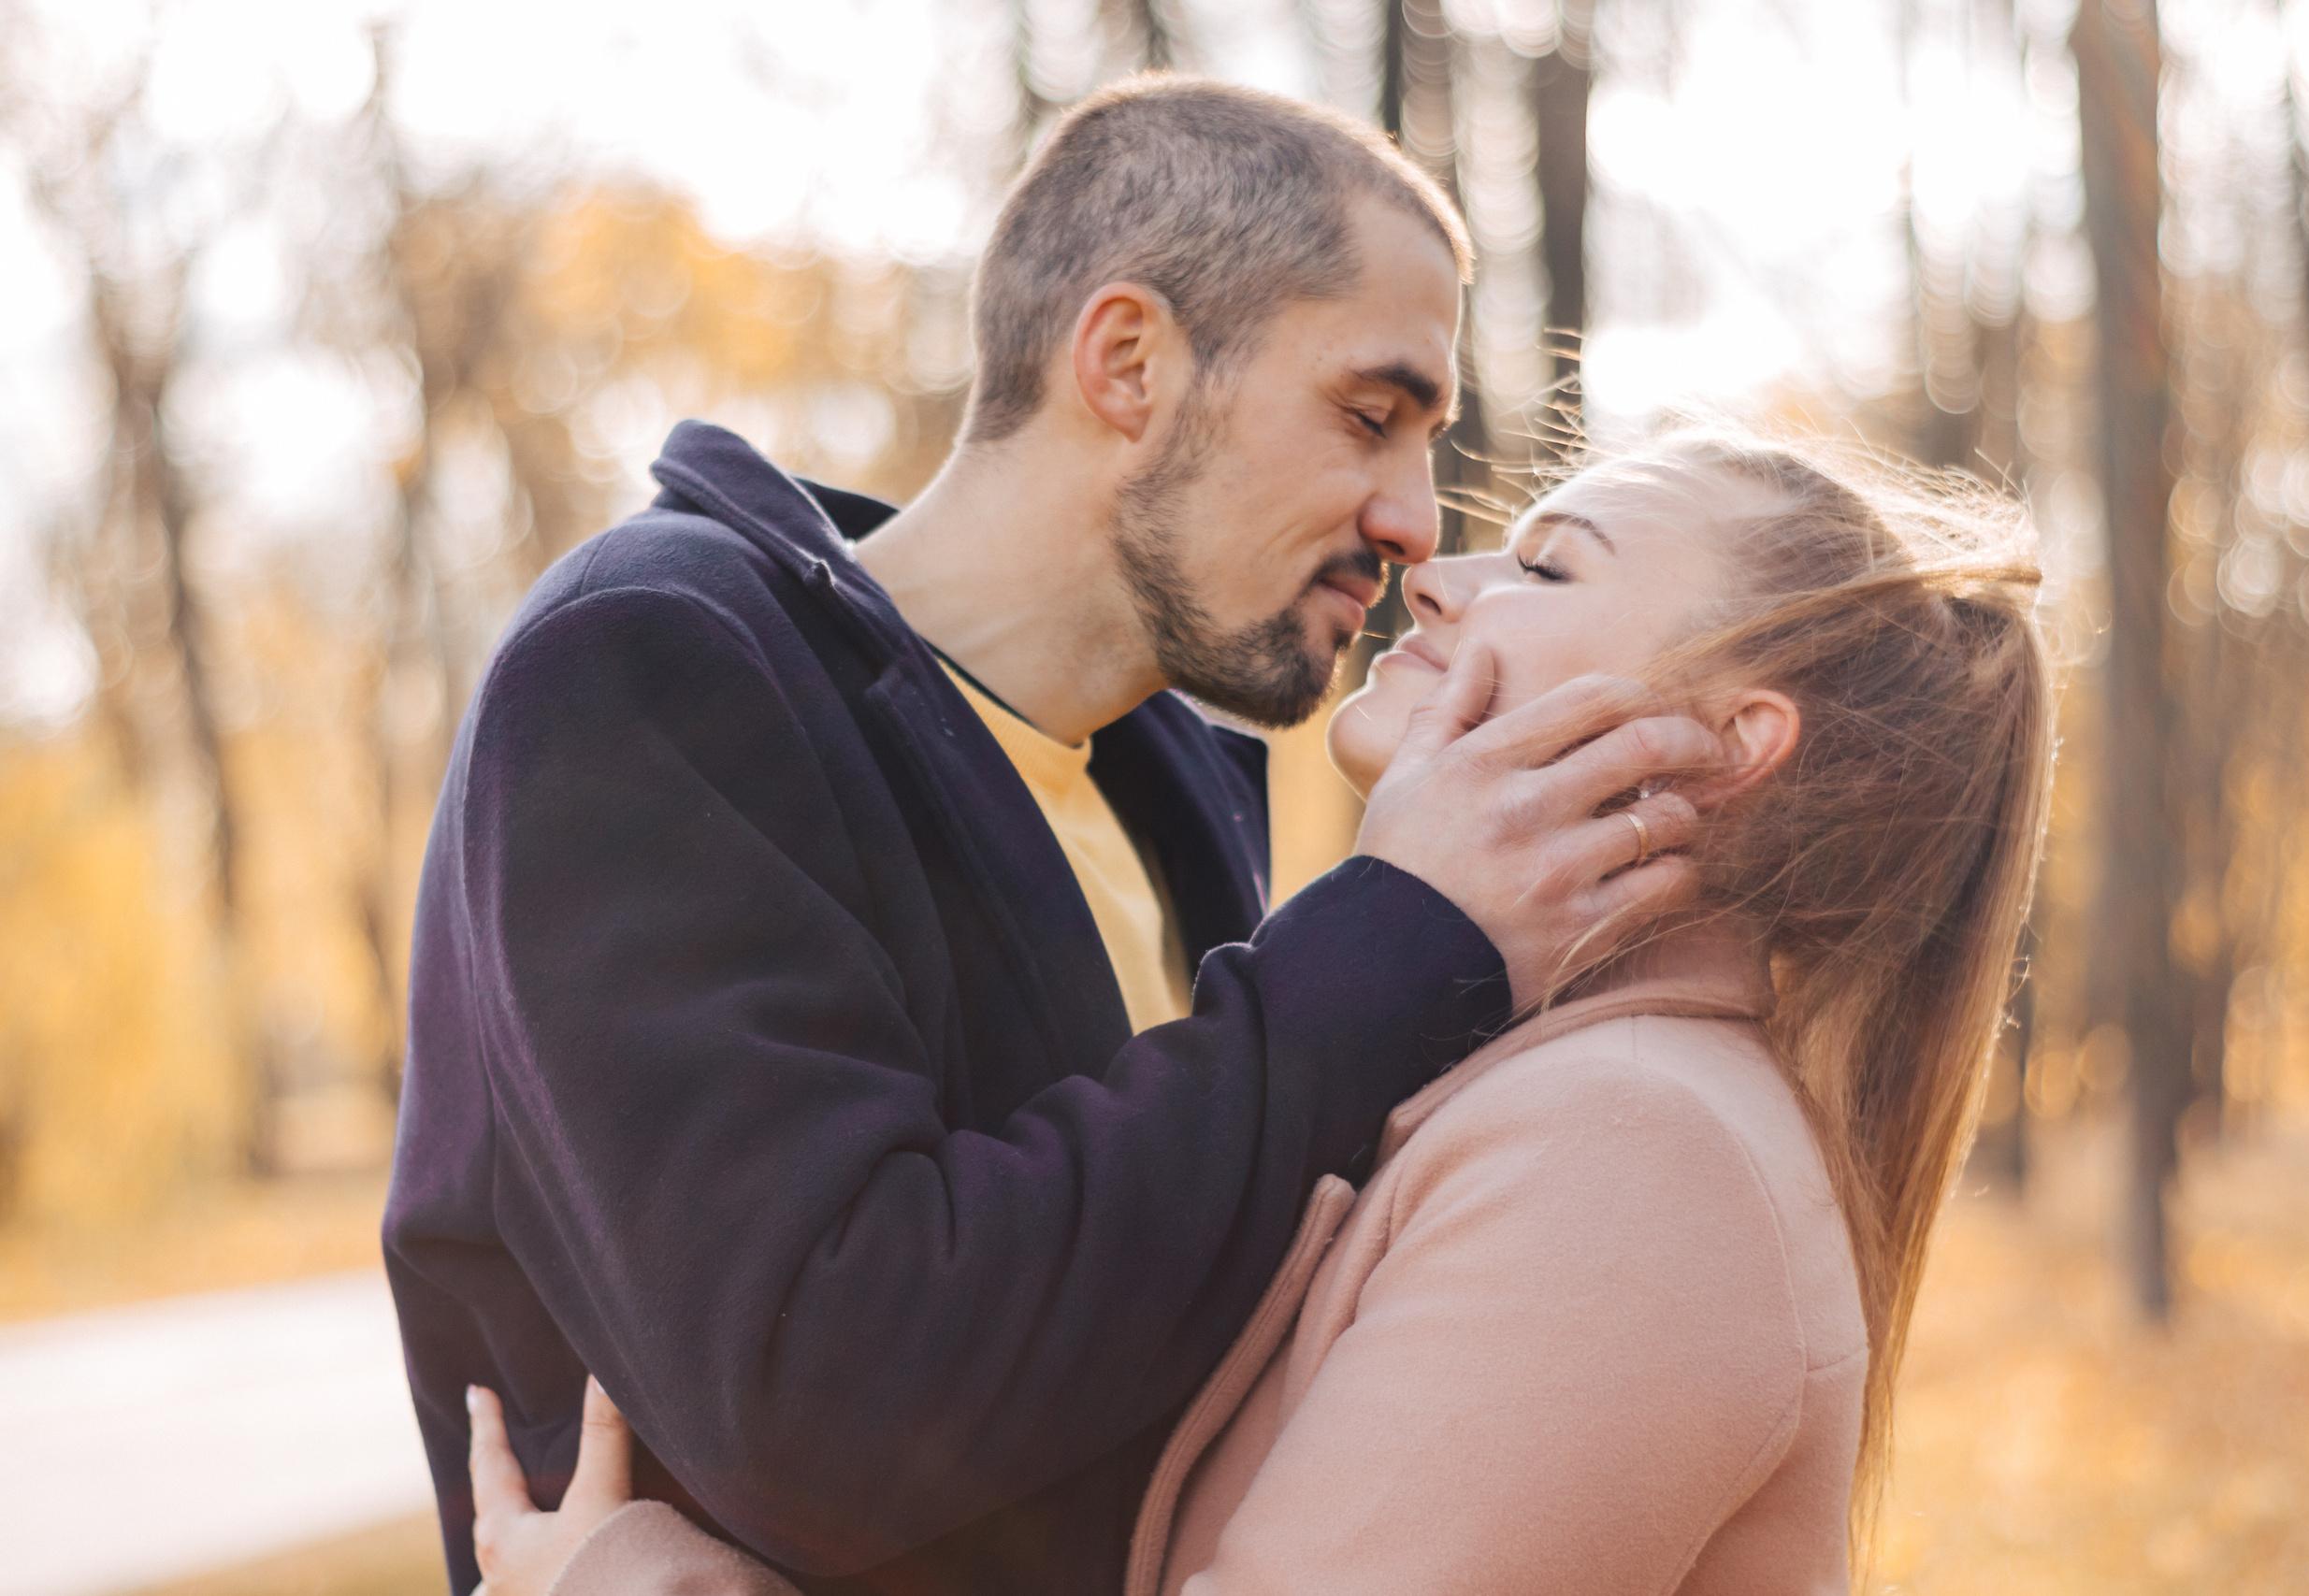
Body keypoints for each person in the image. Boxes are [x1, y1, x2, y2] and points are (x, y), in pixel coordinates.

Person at [385, 76, 1714, 1596]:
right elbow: (827, 1401)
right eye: (1369, 415)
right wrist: (1388, 939)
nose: (1418, 519)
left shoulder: (1184, 785)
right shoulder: (654, 668)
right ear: (1130, 362)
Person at [462, 427, 2056, 1595]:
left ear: (1729, 742)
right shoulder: (1529, 1096)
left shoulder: (1636, 1158)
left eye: (1552, 565)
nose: (1439, 572)